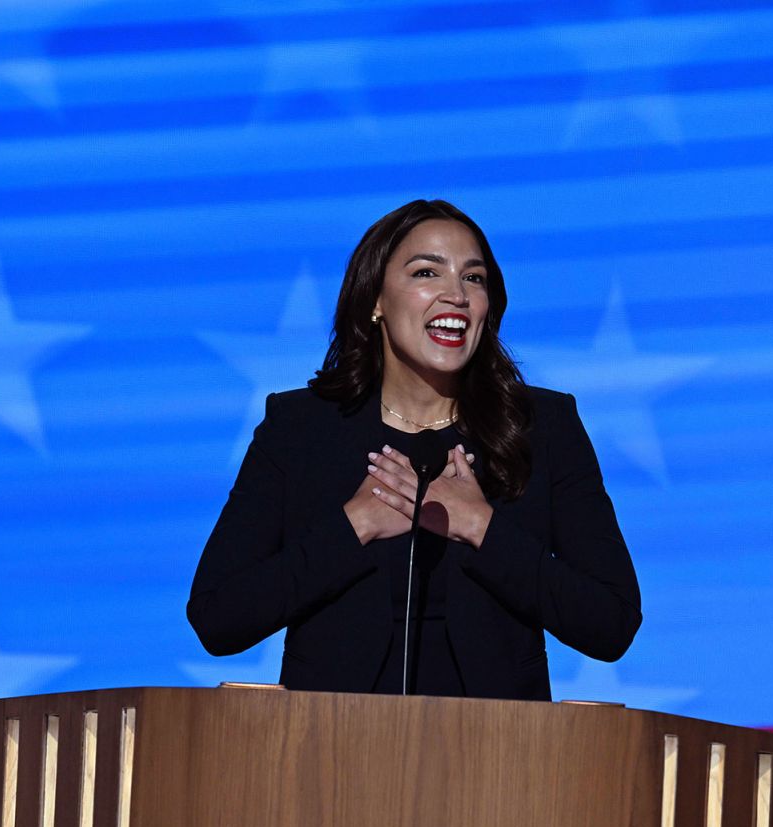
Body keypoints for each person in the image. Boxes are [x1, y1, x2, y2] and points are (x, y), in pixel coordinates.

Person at [187, 199, 640, 700]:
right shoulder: (300, 430)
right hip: (331, 756)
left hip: (505, 758)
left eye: (474, 278)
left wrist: (481, 528)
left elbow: (611, 622)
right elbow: (218, 617)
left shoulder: (541, 428)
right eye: (427, 272)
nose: (456, 295)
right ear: (375, 300)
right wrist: (353, 526)